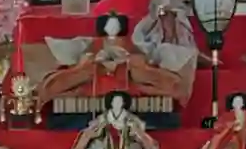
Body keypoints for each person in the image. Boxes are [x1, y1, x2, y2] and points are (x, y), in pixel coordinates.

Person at [37, 12, 170, 106]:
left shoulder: (128, 43)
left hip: (126, 75)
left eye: (116, 25)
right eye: (109, 25)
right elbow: (86, 59)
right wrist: (97, 60)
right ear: (103, 27)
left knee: (140, 73)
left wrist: (126, 59)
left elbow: (139, 59)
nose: (112, 28)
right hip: (96, 77)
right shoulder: (95, 44)